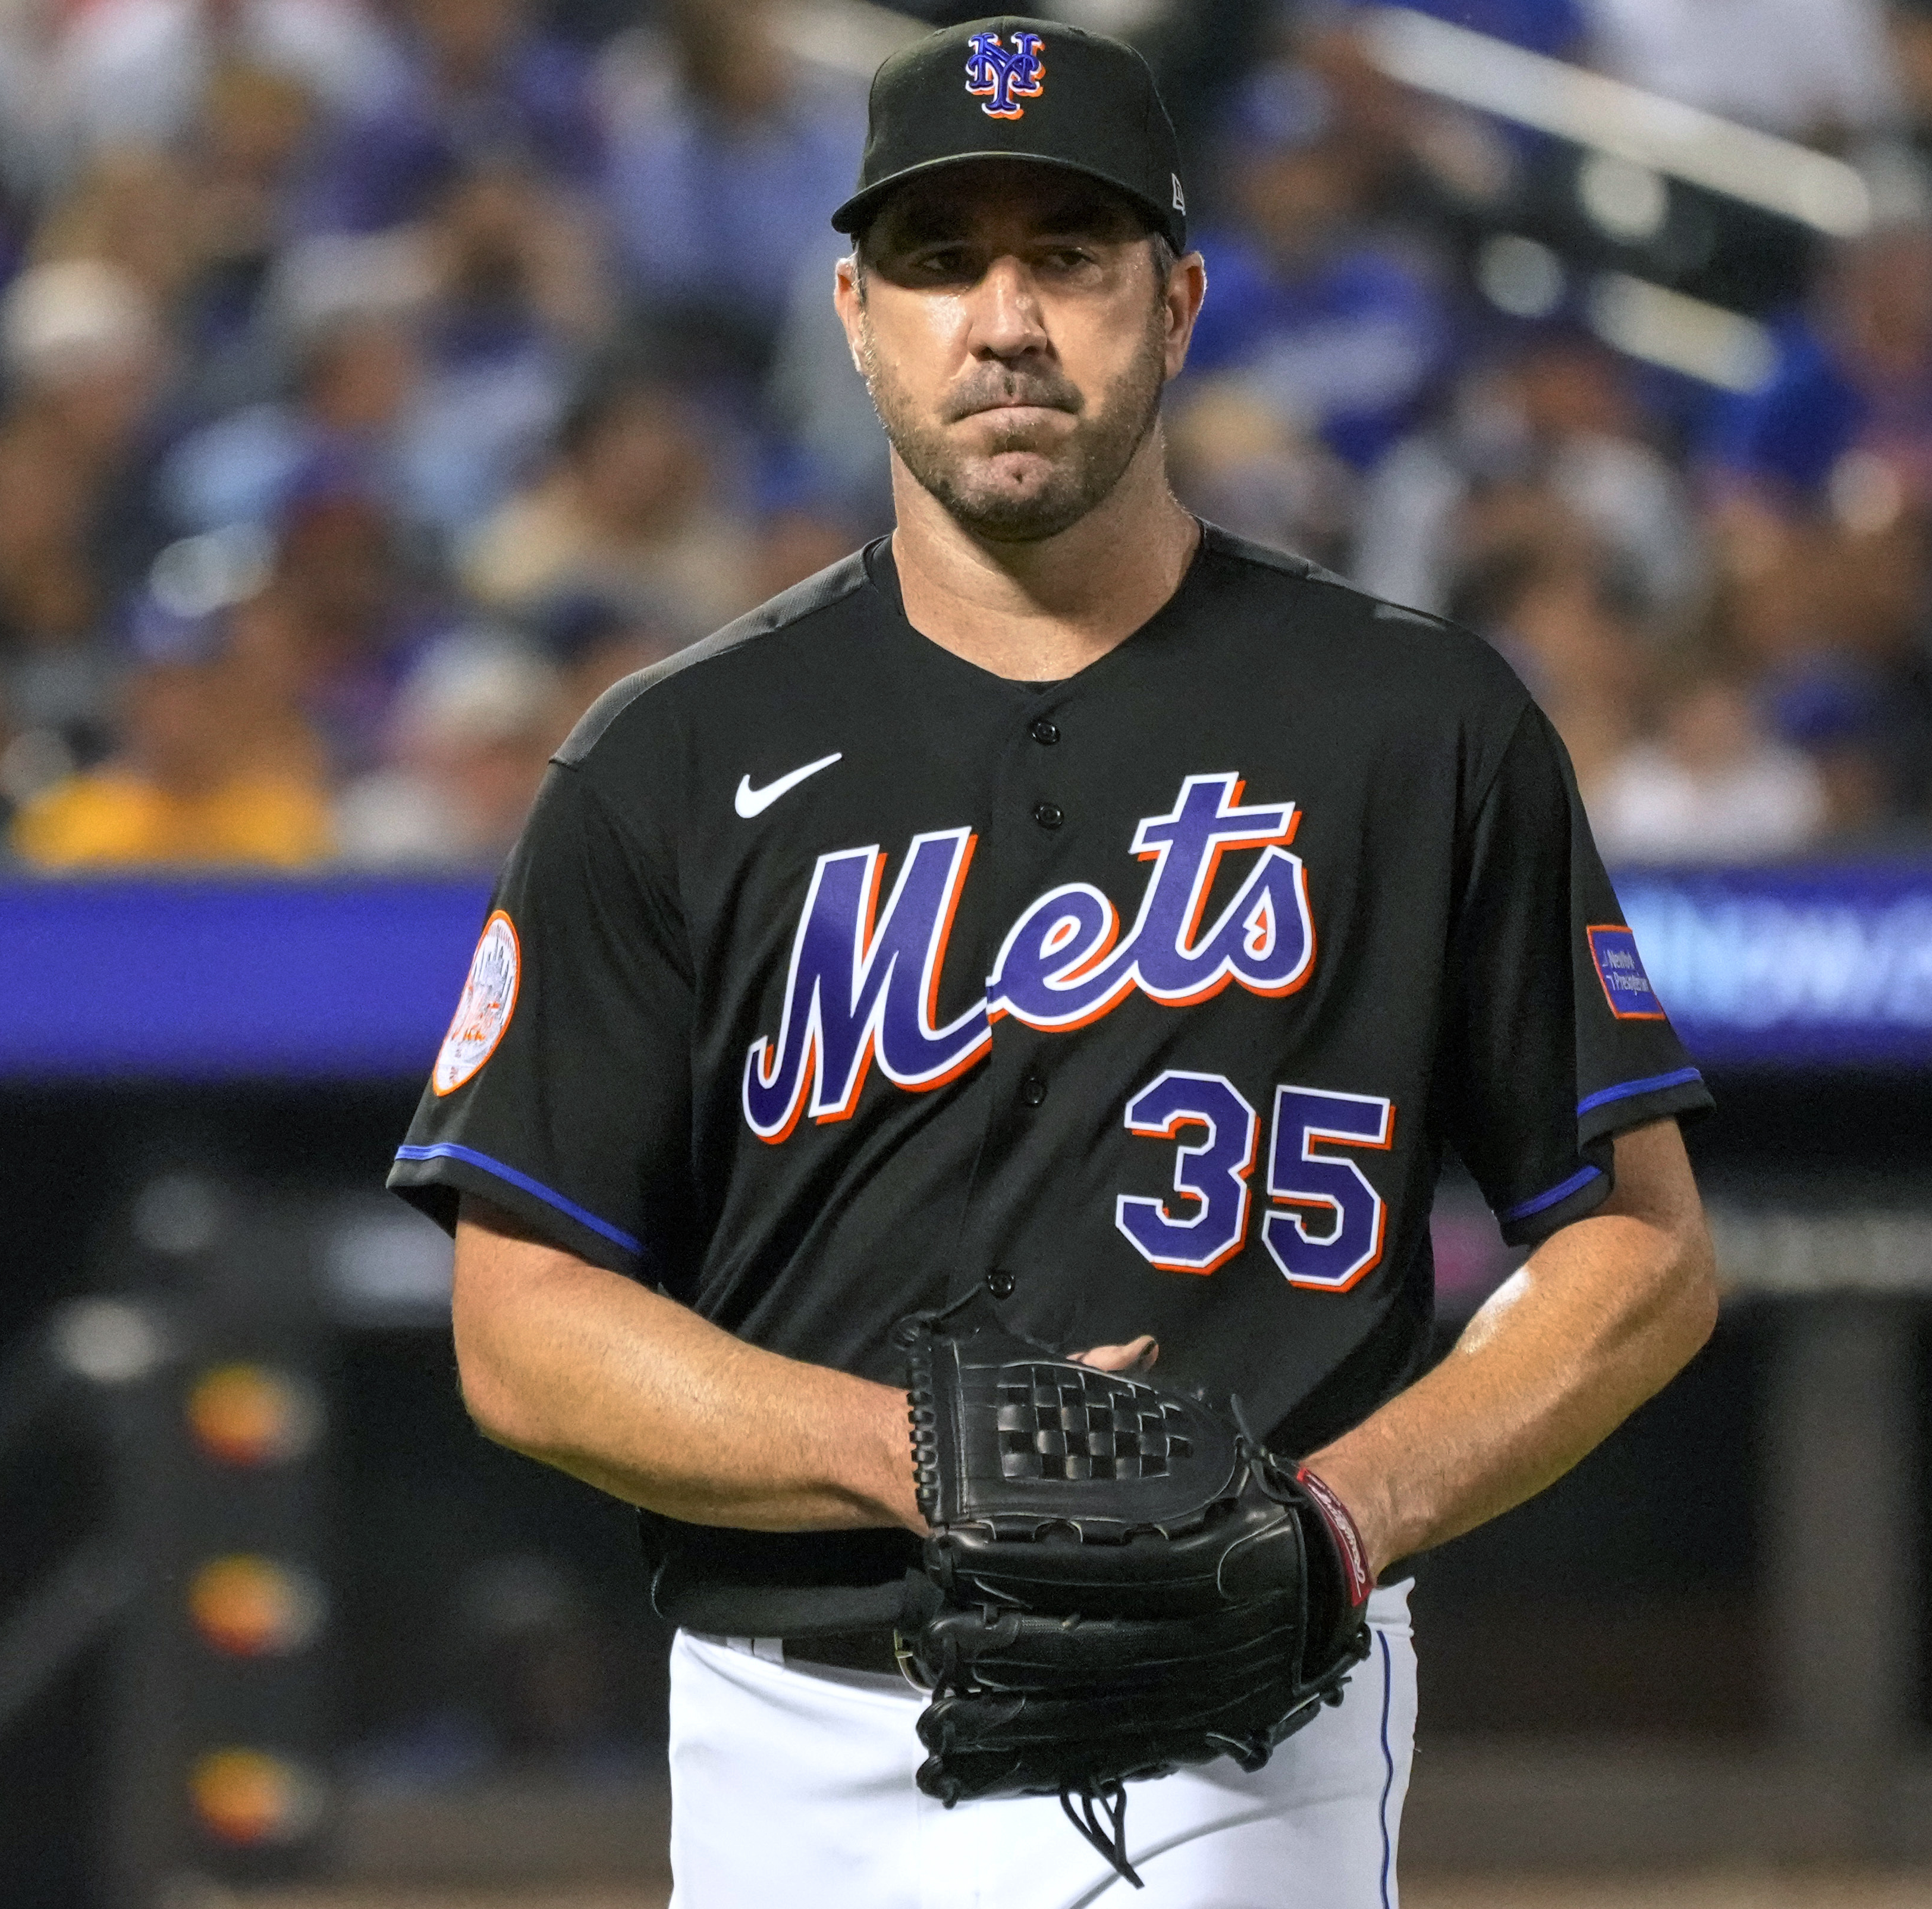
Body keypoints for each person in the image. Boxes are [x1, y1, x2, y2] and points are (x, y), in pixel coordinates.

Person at [387, 18, 1718, 1905]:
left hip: (1244, 1712)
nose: (1005, 318)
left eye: (1068, 257)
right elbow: (519, 1324)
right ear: (854, 311)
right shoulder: (670, 761)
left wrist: (1343, 1520)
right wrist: (908, 1452)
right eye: (942, 260)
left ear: (1177, 304)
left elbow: (1644, 1252)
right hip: (797, 1733)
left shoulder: (1413, 725)